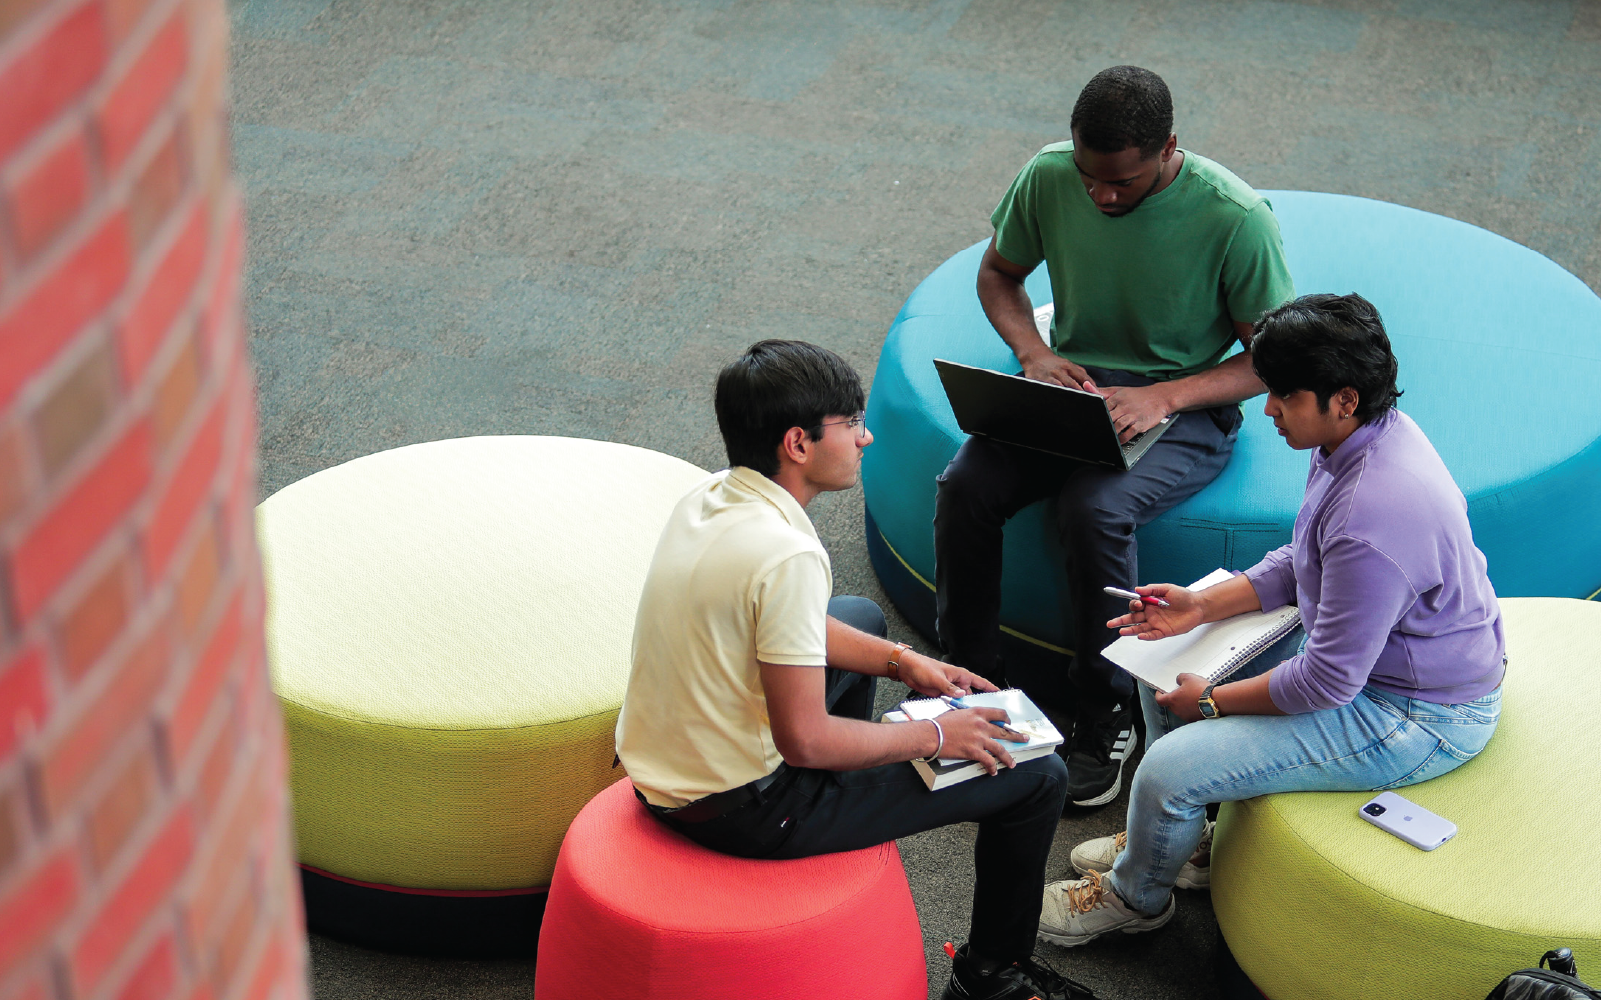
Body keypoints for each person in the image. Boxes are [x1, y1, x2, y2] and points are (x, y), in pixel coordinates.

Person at [615, 340, 1100, 1000]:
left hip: (664, 761)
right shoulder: (787, 554)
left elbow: (795, 625)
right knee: (1039, 775)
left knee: (861, 619)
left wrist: (907, 662)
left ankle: (842, 789)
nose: (867, 437)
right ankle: (994, 974)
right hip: (736, 807)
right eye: (852, 424)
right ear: (798, 443)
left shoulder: (712, 499)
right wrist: (937, 738)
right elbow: (804, 741)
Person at [1035, 294, 1507, 945]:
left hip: (1416, 715)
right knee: (1163, 657)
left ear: (1342, 397)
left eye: (1284, 395)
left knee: (1169, 766)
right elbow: (1305, 556)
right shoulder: (1363, 434)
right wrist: (1201, 607)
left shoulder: (1375, 507)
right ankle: (1183, 840)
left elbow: (1328, 684)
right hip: (1368, 666)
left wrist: (1211, 705)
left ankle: (1134, 897)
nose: (1268, 409)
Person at [934, 65, 1296, 807]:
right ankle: (967, 681)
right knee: (964, 485)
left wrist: (1167, 393)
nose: (1101, 196)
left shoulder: (1236, 216)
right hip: (1070, 385)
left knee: (1094, 507)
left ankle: (1104, 718)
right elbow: (999, 275)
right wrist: (1033, 354)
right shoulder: (1048, 173)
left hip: (1186, 403)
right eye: (1089, 177)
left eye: (1122, 183)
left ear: (1169, 149)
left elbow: (1274, 357)